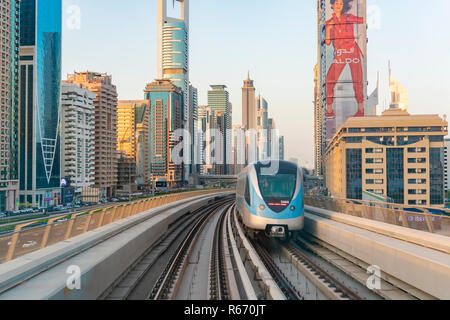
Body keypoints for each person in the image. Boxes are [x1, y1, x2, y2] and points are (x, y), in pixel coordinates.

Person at [325, 0, 365, 118]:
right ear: (332, 5)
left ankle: (360, 110)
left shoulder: (349, 17)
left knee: (358, 79)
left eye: (341, 4)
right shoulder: (329, 22)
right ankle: (329, 109)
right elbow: (327, 43)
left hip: (353, 51)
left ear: (343, 6)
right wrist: (328, 29)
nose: (338, 6)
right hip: (340, 53)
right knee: (329, 80)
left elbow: (363, 21)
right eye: (336, 3)